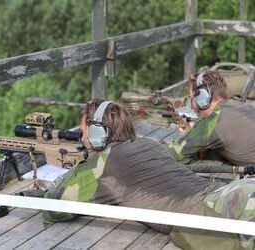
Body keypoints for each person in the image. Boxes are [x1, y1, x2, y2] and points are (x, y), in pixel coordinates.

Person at [43, 99, 255, 250]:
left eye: (84, 132)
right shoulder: (148, 144)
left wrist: (80, 168)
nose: (82, 138)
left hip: (218, 210)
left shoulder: (106, 162)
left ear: (99, 134)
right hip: (228, 193)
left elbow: (56, 208)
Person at [168, 70, 255, 166]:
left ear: (203, 98)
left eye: (192, 98)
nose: (192, 106)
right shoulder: (241, 106)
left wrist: (187, 135)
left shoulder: (214, 122)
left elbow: (173, 154)